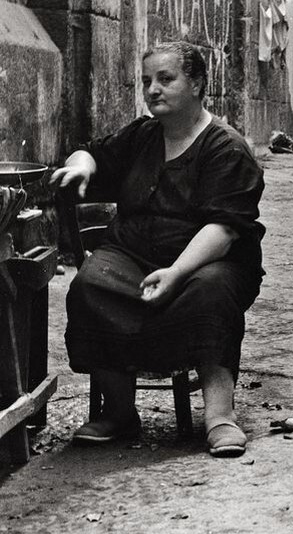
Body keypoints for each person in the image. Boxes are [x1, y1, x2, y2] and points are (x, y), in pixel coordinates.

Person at [50, 41, 264, 457]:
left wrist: (176, 273)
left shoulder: (225, 147)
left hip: (207, 262)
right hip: (132, 255)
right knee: (91, 284)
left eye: (166, 79)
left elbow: (223, 228)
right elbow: (94, 153)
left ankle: (219, 415)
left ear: (198, 84)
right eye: (147, 80)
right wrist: (82, 165)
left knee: (210, 291)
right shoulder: (143, 134)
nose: (153, 89)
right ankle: (119, 413)